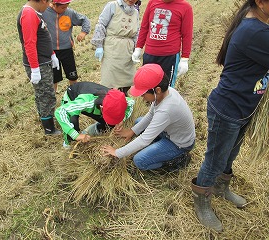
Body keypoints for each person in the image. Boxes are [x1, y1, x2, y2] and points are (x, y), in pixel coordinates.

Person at [191, 0, 269, 232]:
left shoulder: (255, 24)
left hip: (244, 106)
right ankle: (201, 201)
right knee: (215, 159)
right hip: (228, 108)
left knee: (231, 153)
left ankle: (221, 188)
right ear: (261, 2)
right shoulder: (254, 31)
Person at [102, 64, 195, 171]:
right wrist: (132, 131)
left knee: (140, 160)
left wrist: (117, 152)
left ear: (157, 90)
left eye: (143, 93)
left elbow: (144, 140)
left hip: (178, 144)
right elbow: (151, 115)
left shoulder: (166, 110)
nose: (142, 97)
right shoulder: (166, 92)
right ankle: (159, 145)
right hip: (169, 132)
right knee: (138, 122)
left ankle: (178, 159)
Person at [17, 0, 61, 136]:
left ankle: (47, 120)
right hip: (39, 64)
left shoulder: (35, 13)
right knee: (46, 95)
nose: (49, 5)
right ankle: (49, 129)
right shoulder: (28, 14)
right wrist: (35, 69)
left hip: (44, 61)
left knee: (44, 94)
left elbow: (43, 38)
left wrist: (52, 54)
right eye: (48, 2)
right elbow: (29, 44)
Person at [131, 0, 193, 88]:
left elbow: (187, 34)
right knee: (148, 87)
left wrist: (184, 59)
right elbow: (145, 27)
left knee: (165, 88)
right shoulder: (152, 3)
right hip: (150, 54)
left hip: (169, 56)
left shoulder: (185, 7)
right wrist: (138, 48)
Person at [54, 81, 135, 148]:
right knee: (72, 132)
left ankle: (90, 131)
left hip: (97, 104)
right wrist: (76, 136)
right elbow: (60, 112)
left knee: (110, 125)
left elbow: (131, 102)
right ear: (102, 108)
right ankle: (67, 146)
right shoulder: (86, 101)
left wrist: (122, 119)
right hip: (73, 99)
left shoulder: (118, 99)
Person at [91, 0, 139, 96]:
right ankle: (109, 101)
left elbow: (136, 32)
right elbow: (101, 25)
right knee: (110, 79)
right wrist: (99, 45)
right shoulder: (112, 6)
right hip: (112, 48)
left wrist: (136, 49)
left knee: (127, 80)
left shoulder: (135, 12)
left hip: (127, 49)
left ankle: (123, 99)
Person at [42, 0, 91, 93]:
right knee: (53, 78)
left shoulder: (70, 13)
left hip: (67, 50)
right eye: (63, 7)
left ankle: (75, 96)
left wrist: (84, 32)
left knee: (72, 75)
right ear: (54, 4)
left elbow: (85, 20)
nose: (65, 9)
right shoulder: (45, 12)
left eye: (67, 6)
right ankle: (53, 99)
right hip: (51, 52)